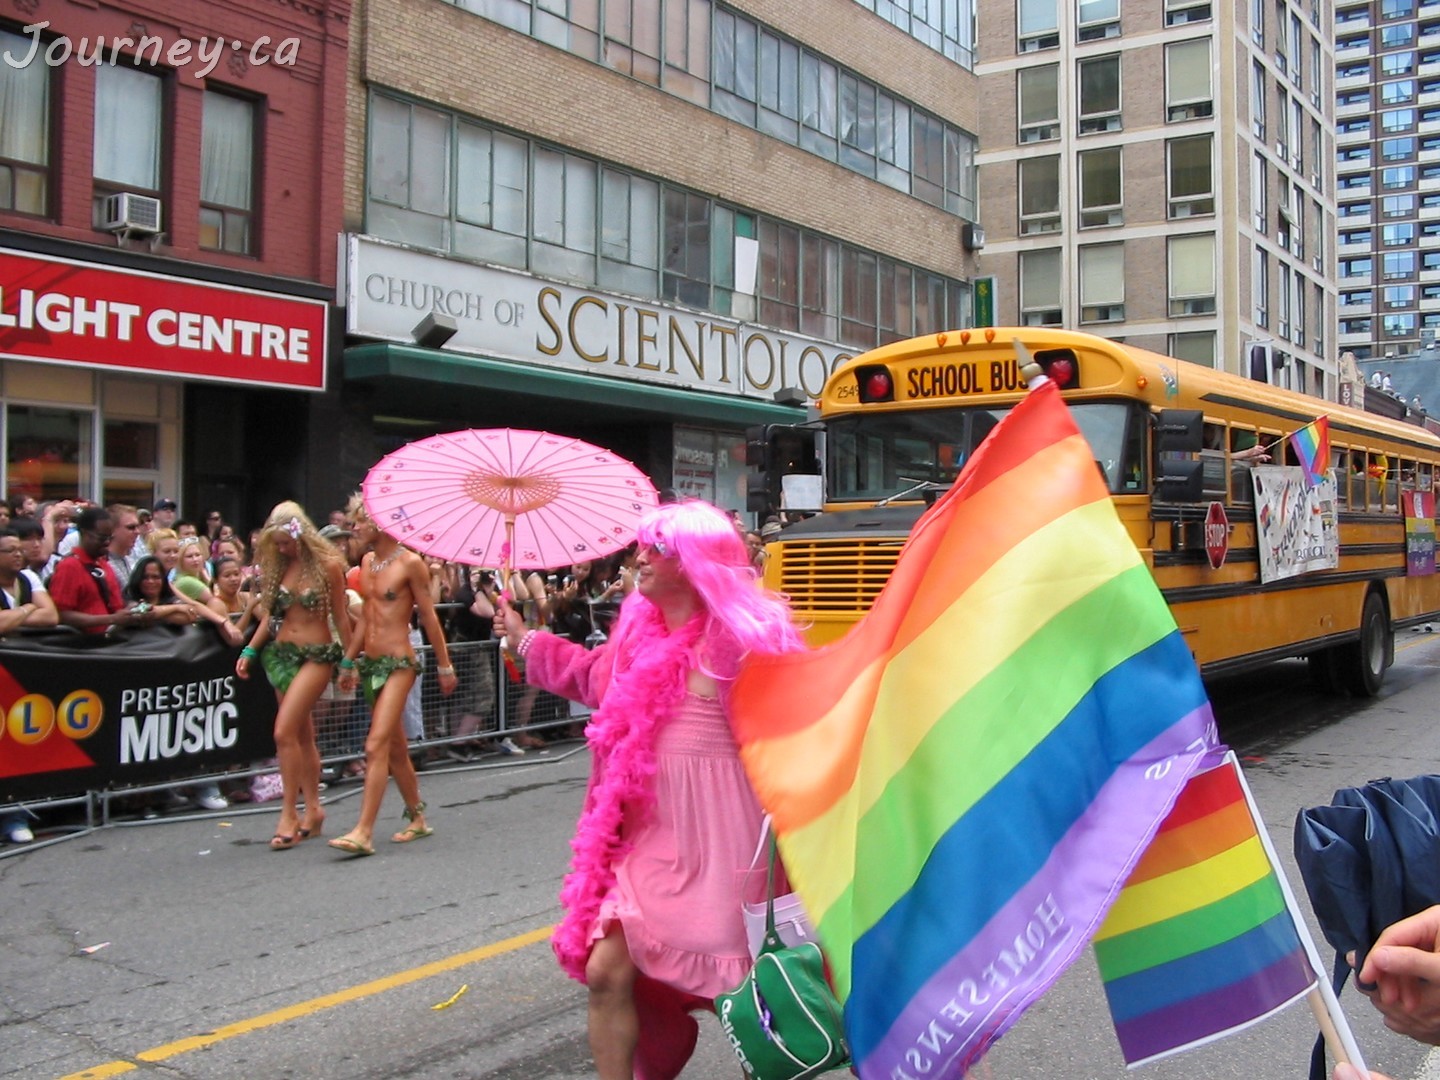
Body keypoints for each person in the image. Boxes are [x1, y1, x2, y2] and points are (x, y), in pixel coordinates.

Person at [492, 499, 803, 1080]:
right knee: (608, 971)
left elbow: (800, 735)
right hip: (647, 838)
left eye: (655, 548)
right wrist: (526, 641)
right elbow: (594, 680)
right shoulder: (637, 633)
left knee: (743, 999)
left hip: (723, 843)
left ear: (694, 562)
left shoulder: (743, 640)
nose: (640, 557)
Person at [328, 503, 457, 857]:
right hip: (371, 665)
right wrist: (347, 661)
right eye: (352, 521)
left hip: (400, 663)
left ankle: (363, 831)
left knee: (375, 745)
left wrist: (444, 665)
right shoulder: (368, 564)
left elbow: (429, 617)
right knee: (395, 748)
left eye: (360, 521)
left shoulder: (409, 563)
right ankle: (417, 818)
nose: (353, 528)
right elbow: (368, 619)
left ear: (382, 524)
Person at [236, 503, 351, 850]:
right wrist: (250, 650)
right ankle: (314, 810)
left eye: (286, 542)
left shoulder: (329, 566)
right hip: (281, 655)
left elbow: (343, 618)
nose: (282, 549)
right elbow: (270, 616)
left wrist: (349, 662)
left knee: (283, 731)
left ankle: (289, 812)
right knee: (302, 735)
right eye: (277, 544)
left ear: (301, 535)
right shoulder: (278, 567)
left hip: (317, 655)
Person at [47, 507, 141, 635]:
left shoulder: (104, 565)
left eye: (110, 538)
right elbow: (61, 615)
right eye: (102, 538)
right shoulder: (69, 566)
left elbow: (115, 607)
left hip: (111, 640)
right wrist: (111, 619)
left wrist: (131, 611)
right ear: (84, 533)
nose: (107, 543)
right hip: (85, 646)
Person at [0, 528, 57, 633]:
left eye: (20, 550)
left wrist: (10, 618)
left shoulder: (29, 577)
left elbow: (50, 616)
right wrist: (28, 608)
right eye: (11, 550)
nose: (18, 555)